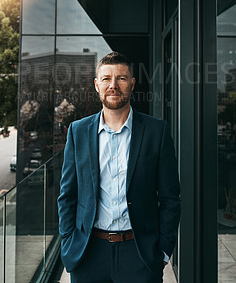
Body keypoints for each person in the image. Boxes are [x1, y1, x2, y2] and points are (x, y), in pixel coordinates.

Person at [58, 52, 181, 283]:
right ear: (96, 85)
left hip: (140, 254)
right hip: (88, 254)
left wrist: (163, 252)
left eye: (121, 78)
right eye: (106, 79)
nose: (113, 85)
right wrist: (68, 243)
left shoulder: (157, 131)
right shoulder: (78, 132)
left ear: (132, 84)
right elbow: (67, 196)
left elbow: (170, 198)